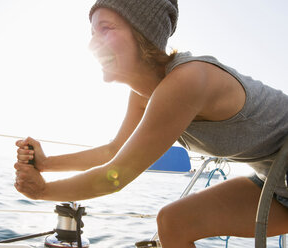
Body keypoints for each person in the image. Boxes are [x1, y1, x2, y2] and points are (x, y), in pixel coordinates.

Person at [14, 0, 288, 247]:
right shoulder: (144, 94)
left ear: (143, 34)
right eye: (92, 33)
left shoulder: (187, 80)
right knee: (173, 223)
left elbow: (116, 176)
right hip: (276, 180)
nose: (92, 44)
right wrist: (46, 164)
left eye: (106, 28)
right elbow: (114, 152)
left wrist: (42, 191)